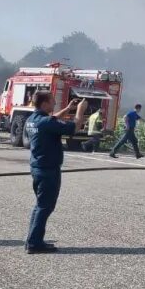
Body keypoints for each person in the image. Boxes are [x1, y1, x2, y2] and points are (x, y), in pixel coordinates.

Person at [24, 91, 88, 253]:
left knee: (40, 206)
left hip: (38, 167)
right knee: (45, 207)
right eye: (52, 101)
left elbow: (52, 120)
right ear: (45, 104)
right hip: (48, 170)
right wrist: (80, 109)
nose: (54, 104)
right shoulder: (45, 122)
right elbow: (75, 127)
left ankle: (33, 240)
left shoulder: (32, 120)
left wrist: (68, 108)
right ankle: (34, 244)